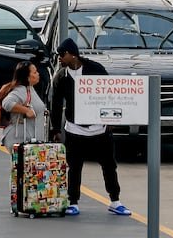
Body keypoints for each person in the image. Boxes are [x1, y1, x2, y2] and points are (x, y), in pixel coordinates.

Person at [50, 38, 131, 217]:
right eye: (58, 55)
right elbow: (56, 105)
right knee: (74, 166)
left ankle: (115, 201)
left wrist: (111, 120)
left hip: (99, 129)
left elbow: (109, 94)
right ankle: (73, 202)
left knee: (109, 165)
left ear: (73, 54)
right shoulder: (61, 77)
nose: (60, 58)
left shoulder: (95, 69)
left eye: (62, 54)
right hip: (74, 129)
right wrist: (55, 129)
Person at [0, 61, 48, 151]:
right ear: (27, 76)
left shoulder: (30, 89)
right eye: (34, 72)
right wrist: (26, 111)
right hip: (20, 139)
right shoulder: (21, 90)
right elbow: (6, 103)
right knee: (24, 165)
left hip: (29, 139)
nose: (38, 74)